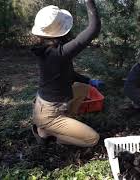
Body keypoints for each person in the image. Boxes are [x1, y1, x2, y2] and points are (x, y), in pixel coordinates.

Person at [30, 0, 102, 147]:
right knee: (93, 139)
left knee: (83, 88)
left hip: (47, 105)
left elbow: (68, 74)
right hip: (50, 114)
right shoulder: (58, 54)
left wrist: (90, 81)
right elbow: (93, 29)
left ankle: (60, 123)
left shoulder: (49, 51)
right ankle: (49, 134)